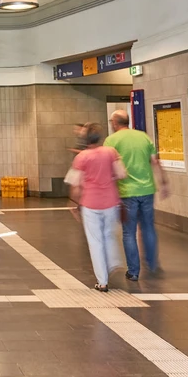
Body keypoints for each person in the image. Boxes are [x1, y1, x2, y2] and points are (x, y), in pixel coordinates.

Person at [105, 109, 167, 281]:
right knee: (148, 227)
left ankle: (133, 271)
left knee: (128, 232)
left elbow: (108, 167)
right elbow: (155, 161)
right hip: (147, 190)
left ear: (115, 123)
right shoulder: (144, 137)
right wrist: (164, 182)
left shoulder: (111, 140)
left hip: (126, 192)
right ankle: (152, 264)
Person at [67, 123, 128, 292]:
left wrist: (74, 203)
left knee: (95, 241)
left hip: (90, 204)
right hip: (111, 202)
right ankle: (114, 262)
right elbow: (122, 173)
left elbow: (75, 184)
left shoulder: (81, 157)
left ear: (85, 139)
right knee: (109, 235)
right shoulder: (110, 152)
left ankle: (102, 281)